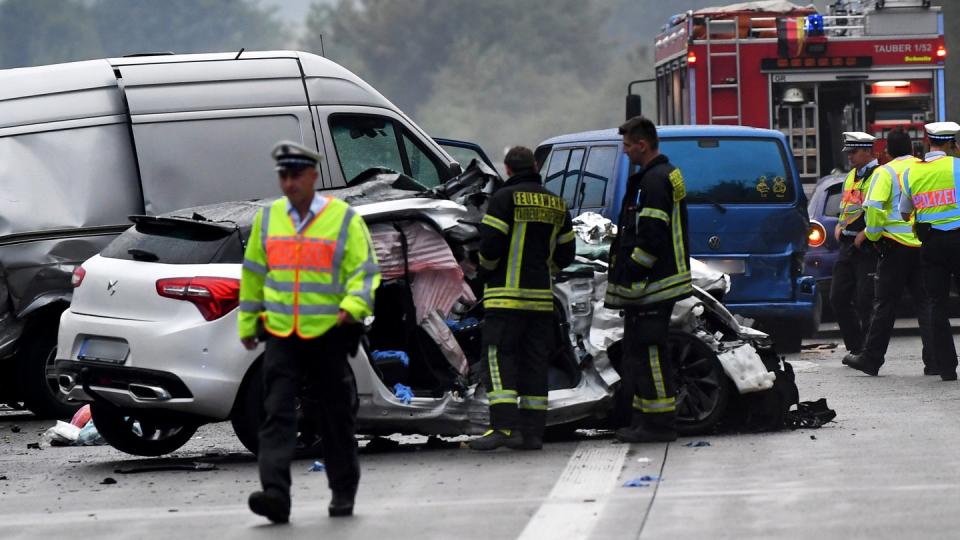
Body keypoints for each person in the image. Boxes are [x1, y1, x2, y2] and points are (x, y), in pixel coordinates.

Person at [238, 140, 381, 522]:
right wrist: (248, 322)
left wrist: (352, 308)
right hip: (283, 332)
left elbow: (364, 272)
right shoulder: (269, 220)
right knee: (276, 413)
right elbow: (253, 275)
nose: (288, 183)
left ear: (313, 176)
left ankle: (343, 492)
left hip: (329, 332)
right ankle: (275, 495)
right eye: (283, 176)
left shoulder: (343, 219)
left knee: (335, 417)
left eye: (296, 175)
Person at [468, 146, 576, 451]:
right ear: (535, 166)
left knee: (498, 358)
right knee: (534, 363)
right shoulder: (556, 203)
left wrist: (484, 274)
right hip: (541, 300)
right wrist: (546, 270)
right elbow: (567, 252)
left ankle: (502, 427)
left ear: (507, 169)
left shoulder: (503, 198)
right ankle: (532, 434)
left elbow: (490, 247)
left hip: (505, 298)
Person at [605, 116, 692, 443]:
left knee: (651, 353)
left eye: (628, 146)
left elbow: (651, 238)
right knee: (640, 352)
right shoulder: (667, 174)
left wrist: (631, 272)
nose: (626, 152)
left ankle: (659, 424)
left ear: (642, 144)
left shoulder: (654, 181)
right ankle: (644, 421)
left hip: (654, 285)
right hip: (661, 282)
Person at [843, 129, 935, 376]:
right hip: (922, 244)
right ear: (914, 149)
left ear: (887, 151)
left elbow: (873, 209)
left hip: (894, 246)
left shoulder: (884, 172)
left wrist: (871, 236)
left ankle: (871, 359)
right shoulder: (924, 168)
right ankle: (934, 359)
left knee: (884, 305)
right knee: (926, 303)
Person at [898, 121, 960, 382]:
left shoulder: (912, 173)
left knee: (937, 304)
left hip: (932, 244)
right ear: (950, 144)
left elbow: (904, 211)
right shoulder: (958, 166)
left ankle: (946, 368)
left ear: (928, 142)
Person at [833, 132, 880, 365]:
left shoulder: (879, 175)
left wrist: (868, 233)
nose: (850, 156)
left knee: (865, 300)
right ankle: (855, 347)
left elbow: (880, 209)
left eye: (854, 151)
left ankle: (867, 351)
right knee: (838, 297)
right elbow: (847, 205)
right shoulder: (851, 175)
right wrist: (840, 225)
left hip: (869, 246)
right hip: (847, 244)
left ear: (868, 151)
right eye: (848, 152)